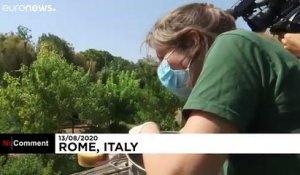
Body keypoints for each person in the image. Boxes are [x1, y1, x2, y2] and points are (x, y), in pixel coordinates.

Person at [130, 3, 300, 175]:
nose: (162, 68)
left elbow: (177, 171)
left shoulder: (234, 44)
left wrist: (145, 131)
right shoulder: (255, 71)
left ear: (192, 41)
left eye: (163, 58)